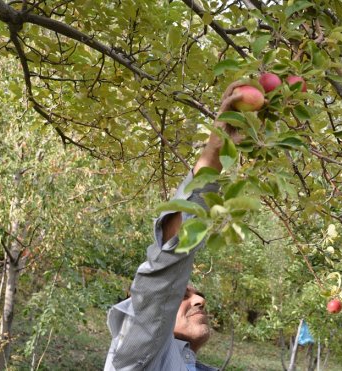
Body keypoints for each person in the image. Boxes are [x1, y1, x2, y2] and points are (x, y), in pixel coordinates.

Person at [104, 82, 246, 371]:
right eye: (183, 295)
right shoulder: (134, 361)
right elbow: (163, 273)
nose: (200, 301)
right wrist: (213, 156)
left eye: (196, 295)